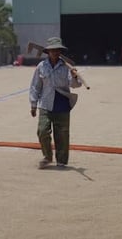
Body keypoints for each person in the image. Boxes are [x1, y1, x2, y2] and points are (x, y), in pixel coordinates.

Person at [29, 37, 82, 169]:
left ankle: (62, 161)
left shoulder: (66, 67)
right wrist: (33, 104)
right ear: (48, 52)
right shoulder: (41, 66)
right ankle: (47, 156)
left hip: (62, 105)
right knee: (42, 131)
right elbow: (35, 86)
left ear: (60, 52)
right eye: (52, 51)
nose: (55, 53)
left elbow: (75, 85)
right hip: (45, 105)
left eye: (58, 50)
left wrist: (75, 76)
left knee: (62, 134)